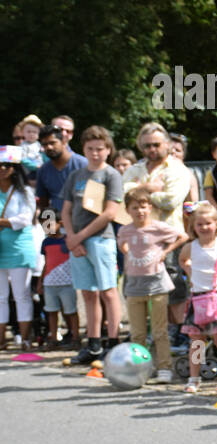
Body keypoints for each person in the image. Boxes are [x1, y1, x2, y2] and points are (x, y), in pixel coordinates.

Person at [61, 126, 124, 364]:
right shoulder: (76, 176)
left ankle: (113, 341)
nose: (95, 153)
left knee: (108, 291)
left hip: (100, 239)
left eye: (100, 149)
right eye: (90, 149)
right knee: (88, 293)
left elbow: (110, 212)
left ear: (108, 150)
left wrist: (80, 236)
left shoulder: (111, 175)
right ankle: (94, 343)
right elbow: (66, 209)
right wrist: (71, 236)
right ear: (83, 150)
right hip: (76, 241)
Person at [118, 186, 187, 381]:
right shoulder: (125, 230)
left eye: (143, 206)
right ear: (127, 210)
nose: (140, 211)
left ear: (150, 208)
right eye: (134, 208)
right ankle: (140, 367)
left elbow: (183, 236)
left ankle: (164, 366)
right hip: (134, 285)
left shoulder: (158, 227)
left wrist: (165, 252)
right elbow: (121, 243)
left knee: (159, 330)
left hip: (156, 284)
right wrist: (127, 252)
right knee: (138, 333)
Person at [178, 201, 217, 393]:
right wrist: (189, 270)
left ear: (216, 225)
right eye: (199, 224)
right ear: (193, 227)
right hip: (198, 297)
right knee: (196, 340)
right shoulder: (191, 247)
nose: (204, 228)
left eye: (208, 223)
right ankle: (194, 377)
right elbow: (182, 259)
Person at [121, 122, 192, 234]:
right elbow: (121, 195)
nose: (152, 149)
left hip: (167, 237)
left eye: (156, 145)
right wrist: (147, 187)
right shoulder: (133, 170)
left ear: (167, 144)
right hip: (136, 236)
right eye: (147, 146)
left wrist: (136, 192)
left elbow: (170, 202)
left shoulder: (178, 170)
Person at [0, 150, 38, 351]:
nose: (1, 170)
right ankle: (1, 340)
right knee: (0, 297)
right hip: (0, 251)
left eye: (5, 165)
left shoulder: (25, 192)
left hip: (19, 250)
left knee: (21, 295)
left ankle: (25, 339)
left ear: (14, 168)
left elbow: (25, 219)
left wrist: (1, 222)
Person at [37, 213, 79, 349]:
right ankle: (54, 338)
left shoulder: (68, 240)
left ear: (60, 223)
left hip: (67, 282)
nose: (47, 227)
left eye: (50, 224)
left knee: (71, 311)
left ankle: (75, 337)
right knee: (52, 311)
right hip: (50, 283)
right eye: (44, 225)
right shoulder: (46, 242)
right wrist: (40, 282)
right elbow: (46, 263)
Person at [35, 124, 87, 214]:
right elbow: (43, 202)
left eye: (52, 143)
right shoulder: (43, 170)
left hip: (81, 220)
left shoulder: (82, 165)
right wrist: (49, 226)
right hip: (56, 221)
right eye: (45, 145)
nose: (49, 147)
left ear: (63, 142)